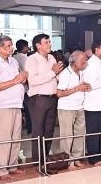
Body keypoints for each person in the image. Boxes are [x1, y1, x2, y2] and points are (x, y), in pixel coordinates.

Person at [0, 35, 28, 180]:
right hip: (2, 105)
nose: (12, 48)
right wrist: (15, 81)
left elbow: (17, 81)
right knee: (3, 139)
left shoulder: (13, 61)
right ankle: (1, 170)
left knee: (15, 137)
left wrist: (22, 79)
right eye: (8, 46)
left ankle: (12, 165)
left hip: (16, 103)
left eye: (12, 45)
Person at [25, 33, 64, 168]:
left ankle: (45, 157)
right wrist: (53, 73)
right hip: (38, 98)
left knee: (49, 130)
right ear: (38, 46)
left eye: (49, 42)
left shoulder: (52, 57)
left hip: (52, 97)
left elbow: (55, 76)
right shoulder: (32, 60)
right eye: (46, 42)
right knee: (38, 130)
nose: (49, 44)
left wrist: (58, 75)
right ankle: (37, 161)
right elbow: (33, 81)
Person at [56, 50, 90, 170]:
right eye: (83, 61)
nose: (85, 63)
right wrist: (77, 88)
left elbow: (80, 87)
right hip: (67, 108)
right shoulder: (66, 73)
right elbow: (59, 93)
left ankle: (77, 158)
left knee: (80, 134)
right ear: (74, 62)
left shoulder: (81, 72)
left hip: (79, 107)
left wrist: (84, 87)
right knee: (67, 136)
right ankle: (67, 160)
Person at [14, 39, 32, 134]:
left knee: (22, 109)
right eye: (27, 46)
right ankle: (30, 127)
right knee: (29, 109)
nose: (28, 48)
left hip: (18, 87)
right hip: (25, 87)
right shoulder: (24, 58)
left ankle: (23, 127)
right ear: (24, 47)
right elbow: (28, 72)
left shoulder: (14, 57)